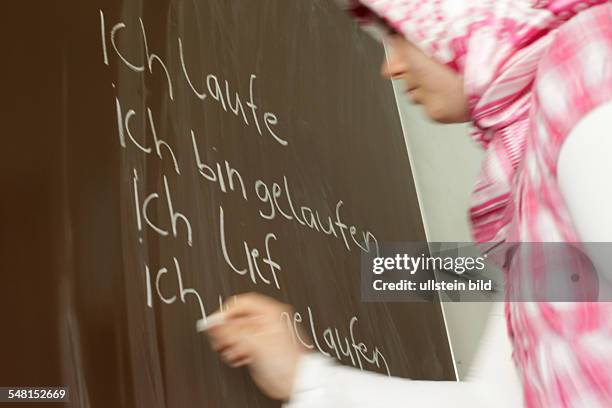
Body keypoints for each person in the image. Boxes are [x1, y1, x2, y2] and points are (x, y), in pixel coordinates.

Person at [206, 1, 612, 406]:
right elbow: (501, 398)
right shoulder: (531, 167)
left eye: (400, 34)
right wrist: (305, 379)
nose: (391, 66)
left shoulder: (587, 86)